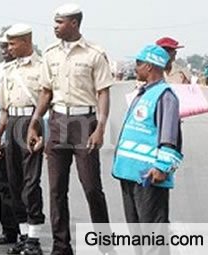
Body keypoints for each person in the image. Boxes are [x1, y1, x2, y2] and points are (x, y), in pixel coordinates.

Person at [26, 4, 114, 255]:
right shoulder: (51, 54)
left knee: (91, 187)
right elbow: (45, 91)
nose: (55, 27)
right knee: (56, 190)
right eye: (55, 22)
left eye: (60, 22)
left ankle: (105, 245)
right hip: (56, 121)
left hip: (84, 123)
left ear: (74, 23)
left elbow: (103, 92)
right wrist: (35, 121)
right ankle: (61, 246)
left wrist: (100, 127)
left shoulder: (94, 53)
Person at [112, 45, 183, 255]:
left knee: (153, 232)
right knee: (137, 230)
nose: (135, 68)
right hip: (130, 172)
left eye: (138, 63)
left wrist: (162, 167)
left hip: (149, 175)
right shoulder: (143, 93)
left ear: (150, 66)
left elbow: (169, 136)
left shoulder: (165, 96)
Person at [0, 24, 45, 255]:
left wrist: (43, 132)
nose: (9, 48)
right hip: (12, 125)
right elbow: (4, 109)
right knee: (14, 182)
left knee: (30, 183)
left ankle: (34, 240)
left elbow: (49, 103)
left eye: (13, 43)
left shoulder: (42, 66)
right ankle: (24, 236)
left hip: (32, 124)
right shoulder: (8, 70)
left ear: (27, 41)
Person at [0, 30, 22, 247]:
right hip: (0, 128)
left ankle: (27, 231)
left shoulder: (31, 68)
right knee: (4, 183)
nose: (5, 50)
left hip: (22, 127)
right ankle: (8, 230)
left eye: (8, 45)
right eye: (2, 46)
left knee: (23, 183)